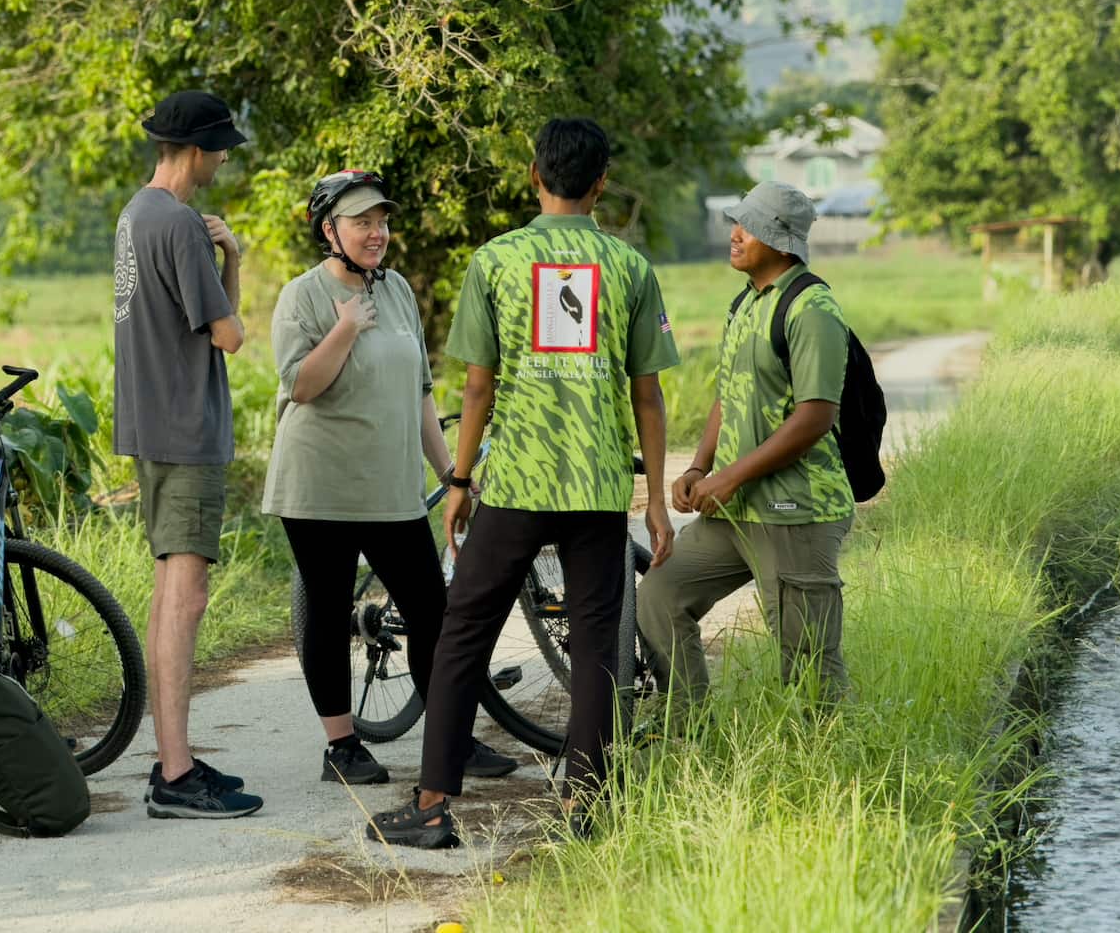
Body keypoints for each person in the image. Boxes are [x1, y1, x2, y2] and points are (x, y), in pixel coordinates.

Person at [367, 117, 680, 849]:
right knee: (599, 644)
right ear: (601, 183)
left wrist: (459, 479)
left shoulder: (498, 260)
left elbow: (478, 388)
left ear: (532, 174)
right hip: (597, 487)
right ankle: (586, 807)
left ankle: (434, 805)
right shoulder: (629, 268)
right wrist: (656, 498)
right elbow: (648, 396)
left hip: (513, 483)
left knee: (462, 634)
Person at [260, 169, 517, 785]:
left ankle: (450, 739)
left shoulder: (397, 289)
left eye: (381, 222)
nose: (376, 233)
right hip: (319, 485)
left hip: (391, 488)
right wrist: (345, 328)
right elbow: (300, 385)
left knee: (434, 611)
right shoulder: (303, 296)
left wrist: (452, 471)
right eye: (361, 223)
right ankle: (341, 747)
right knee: (328, 609)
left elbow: (421, 391)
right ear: (330, 230)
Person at [636, 181, 854, 709]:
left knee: (807, 660)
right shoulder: (747, 303)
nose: (735, 234)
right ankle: (692, 728)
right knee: (660, 598)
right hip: (737, 512)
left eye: (749, 227)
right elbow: (728, 394)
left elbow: (816, 416)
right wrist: (700, 466)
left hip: (795, 512)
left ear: (780, 241)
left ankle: (825, 769)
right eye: (738, 222)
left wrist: (729, 478)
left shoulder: (812, 309)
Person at [113, 89, 263, 819]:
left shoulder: (137, 213)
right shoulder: (176, 223)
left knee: (171, 590)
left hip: (150, 425)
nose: (226, 157)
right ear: (197, 150)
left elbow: (204, 323)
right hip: (184, 428)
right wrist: (232, 254)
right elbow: (231, 336)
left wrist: (225, 256)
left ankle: (173, 758)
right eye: (222, 147)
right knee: (187, 595)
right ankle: (174, 777)